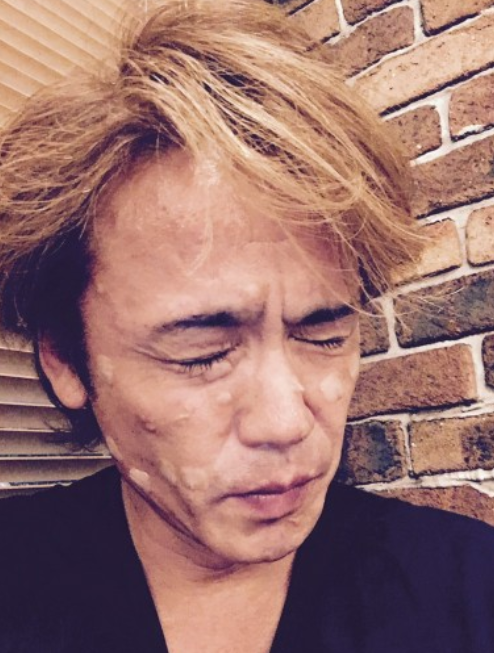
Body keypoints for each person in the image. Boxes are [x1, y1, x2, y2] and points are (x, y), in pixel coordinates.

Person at [0, 1, 492, 652]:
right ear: (66, 357)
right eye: (203, 352)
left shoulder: (467, 588)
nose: (286, 423)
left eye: (324, 335)